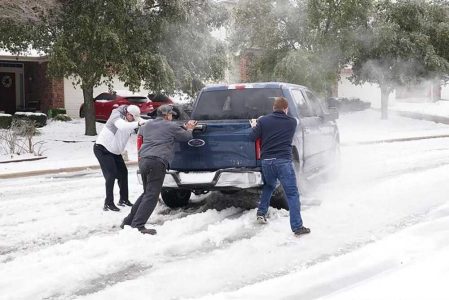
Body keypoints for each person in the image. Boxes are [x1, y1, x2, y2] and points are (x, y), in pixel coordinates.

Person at [121, 104, 197, 234]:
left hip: (144, 161)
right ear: (167, 115)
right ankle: (138, 226)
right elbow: (186, 137)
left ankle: (128, 221)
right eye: (171, 114)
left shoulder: (146, 125)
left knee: (146, 193)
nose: (172, 116)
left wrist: (181, 127)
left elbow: (156, 132)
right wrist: (189, 128)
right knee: (152, 196)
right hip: (157, 162)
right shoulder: (171, 126)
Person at [249, 97, 311, 236]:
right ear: (286, 109)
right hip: (283, 161)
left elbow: (252, 137)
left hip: (267, 162)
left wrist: (255, 125)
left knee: (269, 186)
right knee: (292, 194)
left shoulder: (263, 121)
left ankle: (261, 213)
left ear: (273, 108)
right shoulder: (292, 122)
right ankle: (297, 227)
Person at [94, 104, 143, 211]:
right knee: (111, 175)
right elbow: (122, 126)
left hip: (115, 152)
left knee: (123, 173)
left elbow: (141, 122)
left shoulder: (131, 119)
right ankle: (108, 203)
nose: (133, 121)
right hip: (103, 149)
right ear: (128, 114)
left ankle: (124, 200)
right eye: (133, 118)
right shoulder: (116, 116)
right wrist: (138, 123)